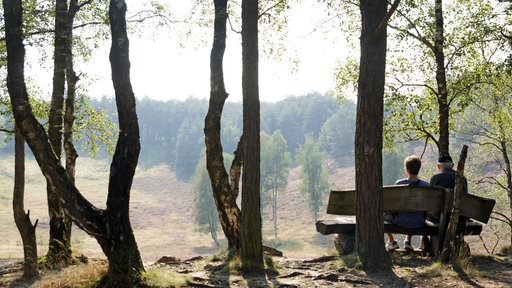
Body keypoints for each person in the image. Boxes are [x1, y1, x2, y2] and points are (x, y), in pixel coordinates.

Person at [384, 155, 430, 251]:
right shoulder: (426, 186)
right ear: (419, 169)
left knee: (379, 217)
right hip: (419, 221)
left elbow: (394, 205)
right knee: (413, 212)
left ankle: (392, 241)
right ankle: (408, 241)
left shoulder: (399, 184)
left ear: (407, 169)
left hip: (401, 220)